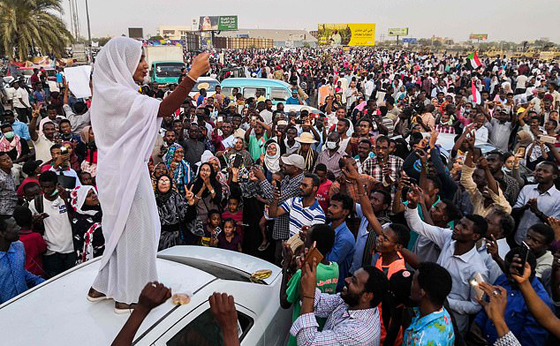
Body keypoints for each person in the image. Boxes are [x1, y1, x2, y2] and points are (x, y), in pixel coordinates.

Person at [87, 37, 209, 312]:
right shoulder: (118, 95)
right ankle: (129, 297)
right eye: (139, 59)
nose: (145, 65)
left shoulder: (109, 91)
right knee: (139, 233)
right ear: (122, 63)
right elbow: (164, 109)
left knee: (123, 231)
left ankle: (104, 285)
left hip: (121, 170)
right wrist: (193, 75)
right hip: (125, 173)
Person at [405, 184, 489, 334]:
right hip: (427, 312)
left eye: (464, 227)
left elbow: (476, 305)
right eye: (459, 224)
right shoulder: (448, 238)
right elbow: (418, 226)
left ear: (475, 237)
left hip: (452, 323)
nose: (457, 228)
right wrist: (412, 206)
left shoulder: (477, 269)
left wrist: (446, 301)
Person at [290, 262, 388, 346]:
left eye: (354, 281)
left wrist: (308, 295)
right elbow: (318, 303)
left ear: (367, 296)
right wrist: (305, 271)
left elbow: (307, 343)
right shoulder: (353, 301)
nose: (347, 280)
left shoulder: (356, 333)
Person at [474, 248, 552, 346]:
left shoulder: (540, 302)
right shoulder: (503, 279)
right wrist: (477, 324)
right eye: (508, 274)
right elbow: (488, 306)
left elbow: (531, 341)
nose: (509, 279)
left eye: (514, 275)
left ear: (529, 272)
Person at [280, 224, 339, 346]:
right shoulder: (335, 268)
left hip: (300, 334)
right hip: (321, 332)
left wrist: (286, 265)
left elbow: (285, 302)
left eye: (306, 239)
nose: (303, 242)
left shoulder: (303, 274)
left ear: (313, 245)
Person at [403, 262, 455, 346]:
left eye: (413, 281)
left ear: (421, 293)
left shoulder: (422, 342)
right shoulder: (442, 313)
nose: (410, 285)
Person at [512, 161, 560, 245]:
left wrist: (537, 212)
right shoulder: (527, 189)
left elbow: (554, 224)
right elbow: (514, 211)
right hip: (520, 239)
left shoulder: (558, 197)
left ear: (554, 176)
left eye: (545, 171)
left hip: (540, 244)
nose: (540, 173)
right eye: (539, 170)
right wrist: (526, 207)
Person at [0, 216, 45, 304]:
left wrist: (42, 282)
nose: (19, 228)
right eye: (14, 226)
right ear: (2, 233)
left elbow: (21, 271)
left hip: (25, 304)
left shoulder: (19, 246)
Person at [268, 173, 326, 238]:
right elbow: (272, 214)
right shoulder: (293, 201)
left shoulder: (319, 215)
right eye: (301, 184)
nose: (301, 187)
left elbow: (312, 240)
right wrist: (275, 199)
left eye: (305, 185)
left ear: (314, 188)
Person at [155, 174, 196, 249]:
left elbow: (186, 217)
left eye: (166, 181)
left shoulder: (176, 197)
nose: (163, 183)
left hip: (174, 239)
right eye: (161, 180)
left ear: (170, 184)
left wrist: (190, 203)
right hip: (155, 237)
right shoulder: (152, 197)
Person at [326, 193, 356, 292]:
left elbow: (330, 263)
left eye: (335, 206)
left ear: (345, 212)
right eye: (330, 205)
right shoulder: (328, 227)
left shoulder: (345, 238)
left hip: (334, 287)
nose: (329, 208)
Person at [69, 185, 105, 264]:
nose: (94, 196)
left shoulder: (103, 211)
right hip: (94, 261)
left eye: (93, 193)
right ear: (81, 200)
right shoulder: (80, 221)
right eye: (88, 195)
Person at [13, 206, 47, 277]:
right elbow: (44, 249)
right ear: (31, 219)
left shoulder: (14, 240)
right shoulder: (36, 237)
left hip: (21, 275)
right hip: (37, 274)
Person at [0, 151, 17, 216]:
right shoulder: (1, 179)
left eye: (8, 158)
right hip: (5, 212)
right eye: (4, 160)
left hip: (14, 205)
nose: (8, 161)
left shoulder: (11, 171)